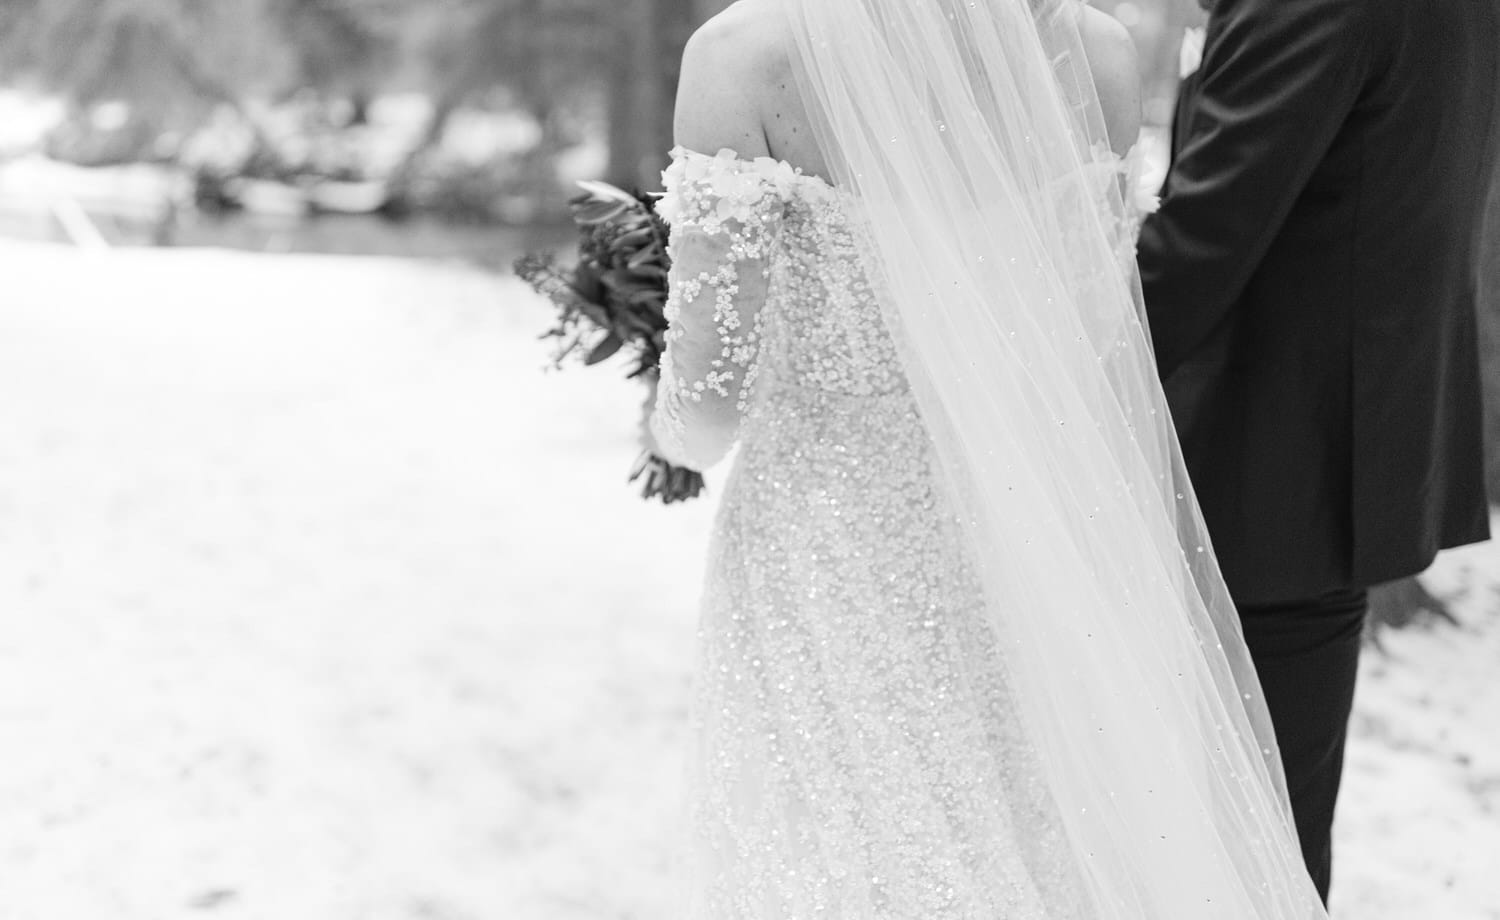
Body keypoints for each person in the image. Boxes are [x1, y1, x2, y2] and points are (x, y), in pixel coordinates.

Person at [645, 0, 1327, 915]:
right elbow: (1087, 344)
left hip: (825, 549)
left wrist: (659, 430)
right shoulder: (1098, 52)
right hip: (1034, 537)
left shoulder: (744, 55)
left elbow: (707, 409)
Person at [1137, 0, 1499, 901]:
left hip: (1262, 459)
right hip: (1340, 451)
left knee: (1234, 830)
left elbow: (1199, 244)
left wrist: (1025, 363)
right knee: (1274, 821)